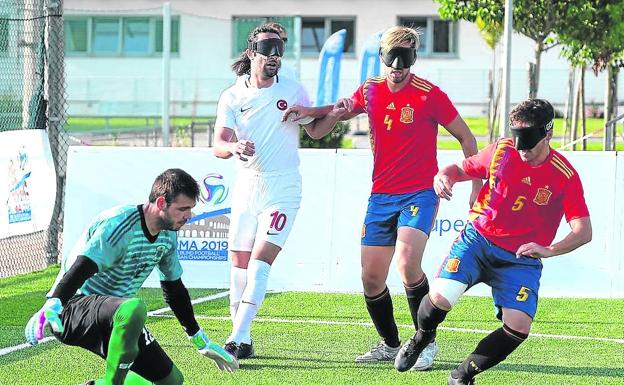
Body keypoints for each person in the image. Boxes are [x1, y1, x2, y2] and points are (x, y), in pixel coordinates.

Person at [282, 25, 481, 370]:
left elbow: (467, 139)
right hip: (381, 195)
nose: (398, 69)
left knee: (407, 264)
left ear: (413, 60)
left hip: (420, 192)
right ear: (382, 59)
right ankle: (390, 344)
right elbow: (324, 126)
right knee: (371, 278)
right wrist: (315, 113)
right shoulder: (370, 90)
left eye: (405, 62)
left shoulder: (430, 94)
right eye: (392, 61)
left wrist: (475, 189)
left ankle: (425, 342)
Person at [392, 99, 592, 384]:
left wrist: (549, 250)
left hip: (520, 259)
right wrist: (443, 177)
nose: (521, 149)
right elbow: (459, 169)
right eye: (518, 140)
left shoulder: (565, 176)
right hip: (477, 241)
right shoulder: (502, 151)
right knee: (440, 299)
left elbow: (583, 230)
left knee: (519, 327)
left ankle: (463, 374)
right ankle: (422, 338)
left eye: (529, 142)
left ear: (548, 134)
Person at [24, 168, 238, 385]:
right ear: (161, 203)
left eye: (191, 209)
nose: (189, 216)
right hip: (72, 308)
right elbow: (83, 266)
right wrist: (54, 302)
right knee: (133, 308)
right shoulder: (119, 223)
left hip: (118, 317)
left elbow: (174, 289)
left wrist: (200, 340)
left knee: (171, 382)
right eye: (183, 209)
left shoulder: (168, 234)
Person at [214, 25, 338, 360]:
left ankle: (236, 337)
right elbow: (218, 143)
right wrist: (234, 145)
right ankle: (244, 336)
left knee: (259, 262)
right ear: (252, 52)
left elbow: (314, 131)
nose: (274, 57)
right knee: (238, 266)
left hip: (283, 187)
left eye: (279, 50)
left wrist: (335, 116)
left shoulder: (293, 89)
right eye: (268, 50)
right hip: (246, 186)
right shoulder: (232, 95)